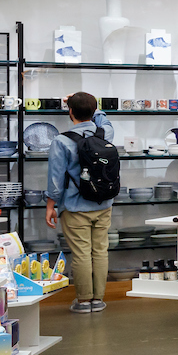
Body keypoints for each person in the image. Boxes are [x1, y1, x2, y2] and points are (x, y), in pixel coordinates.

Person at [45, 92, 116, 315]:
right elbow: (104, 119)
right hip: (103, 203)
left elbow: (55, 178)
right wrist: (95, 109)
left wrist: (50, 205)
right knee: (100, 251)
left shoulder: (61, 140)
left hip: (75, 206)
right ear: (93, 112)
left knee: (82, 253)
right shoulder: (105, 133)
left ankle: (84, 301)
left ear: (70, 112)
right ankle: (99, 300)